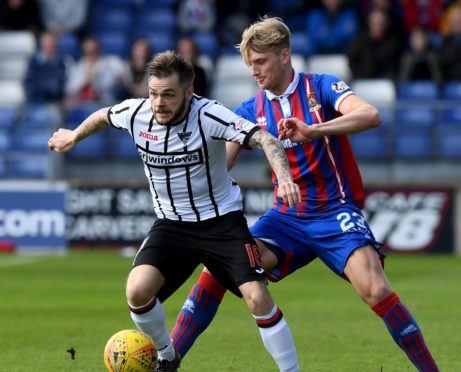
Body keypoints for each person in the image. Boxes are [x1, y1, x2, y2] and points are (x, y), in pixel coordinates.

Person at [170, 16, 440, 372]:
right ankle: (167, 360)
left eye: (260, 62)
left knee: (375, 290)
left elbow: (370, 115)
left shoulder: (322, 87)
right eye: (249, 64)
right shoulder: (251, 111)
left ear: (284, 55)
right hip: (285, 219)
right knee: (218, 268)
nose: (254, 71)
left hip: (335, 211)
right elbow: (220, 168)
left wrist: (315, 130)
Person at [48, 50, 301, 372]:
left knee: (257, 297)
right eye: (153, 94)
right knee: (137, 290)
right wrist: (74, 136)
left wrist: (284, 178)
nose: (159, 102)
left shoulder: (209, 115)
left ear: (188, 93)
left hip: (221, 223)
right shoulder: (136, 113)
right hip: (172, 226)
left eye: (168, 95)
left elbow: (265, 138)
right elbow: (103, 115)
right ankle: (167, 355)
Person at [64, 36, 124, 108]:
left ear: (98, 50)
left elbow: (109, 86)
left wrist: (95, 78)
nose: (91, 55)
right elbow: (70, 89)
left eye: (93, 51)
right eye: (87, 52)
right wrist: (84, 81)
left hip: (105, 104)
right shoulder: (79, 66)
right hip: (83, 104)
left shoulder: (110, 63)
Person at [348, 7, 404, 79]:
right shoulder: (359, 40)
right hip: (364, 80)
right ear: (369, 23)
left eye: (381, 23)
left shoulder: (394, 41)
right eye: (375, 23)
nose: (378, 26)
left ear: (387, 23)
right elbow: (353, 62)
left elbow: (396, 64)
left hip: (387, 80)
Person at [23, 31, 68, 103]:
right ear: (41, 47)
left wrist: (44, 88)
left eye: (51, 46)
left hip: (54, 101)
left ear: (56, 47)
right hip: (34, 101)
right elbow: (28, 84)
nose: (49, 50)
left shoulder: (61, 63)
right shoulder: (33, 62)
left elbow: (59, 87)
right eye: (46, 46)